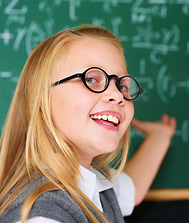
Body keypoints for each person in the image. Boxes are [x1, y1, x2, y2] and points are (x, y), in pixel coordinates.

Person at [0, 25, 176, 223]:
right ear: (41, 98)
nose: (117, 95)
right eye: (91, 79)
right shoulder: (42, 215)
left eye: (122, 86)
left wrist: (160, 136)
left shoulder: (90, 179)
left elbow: (131, 191)